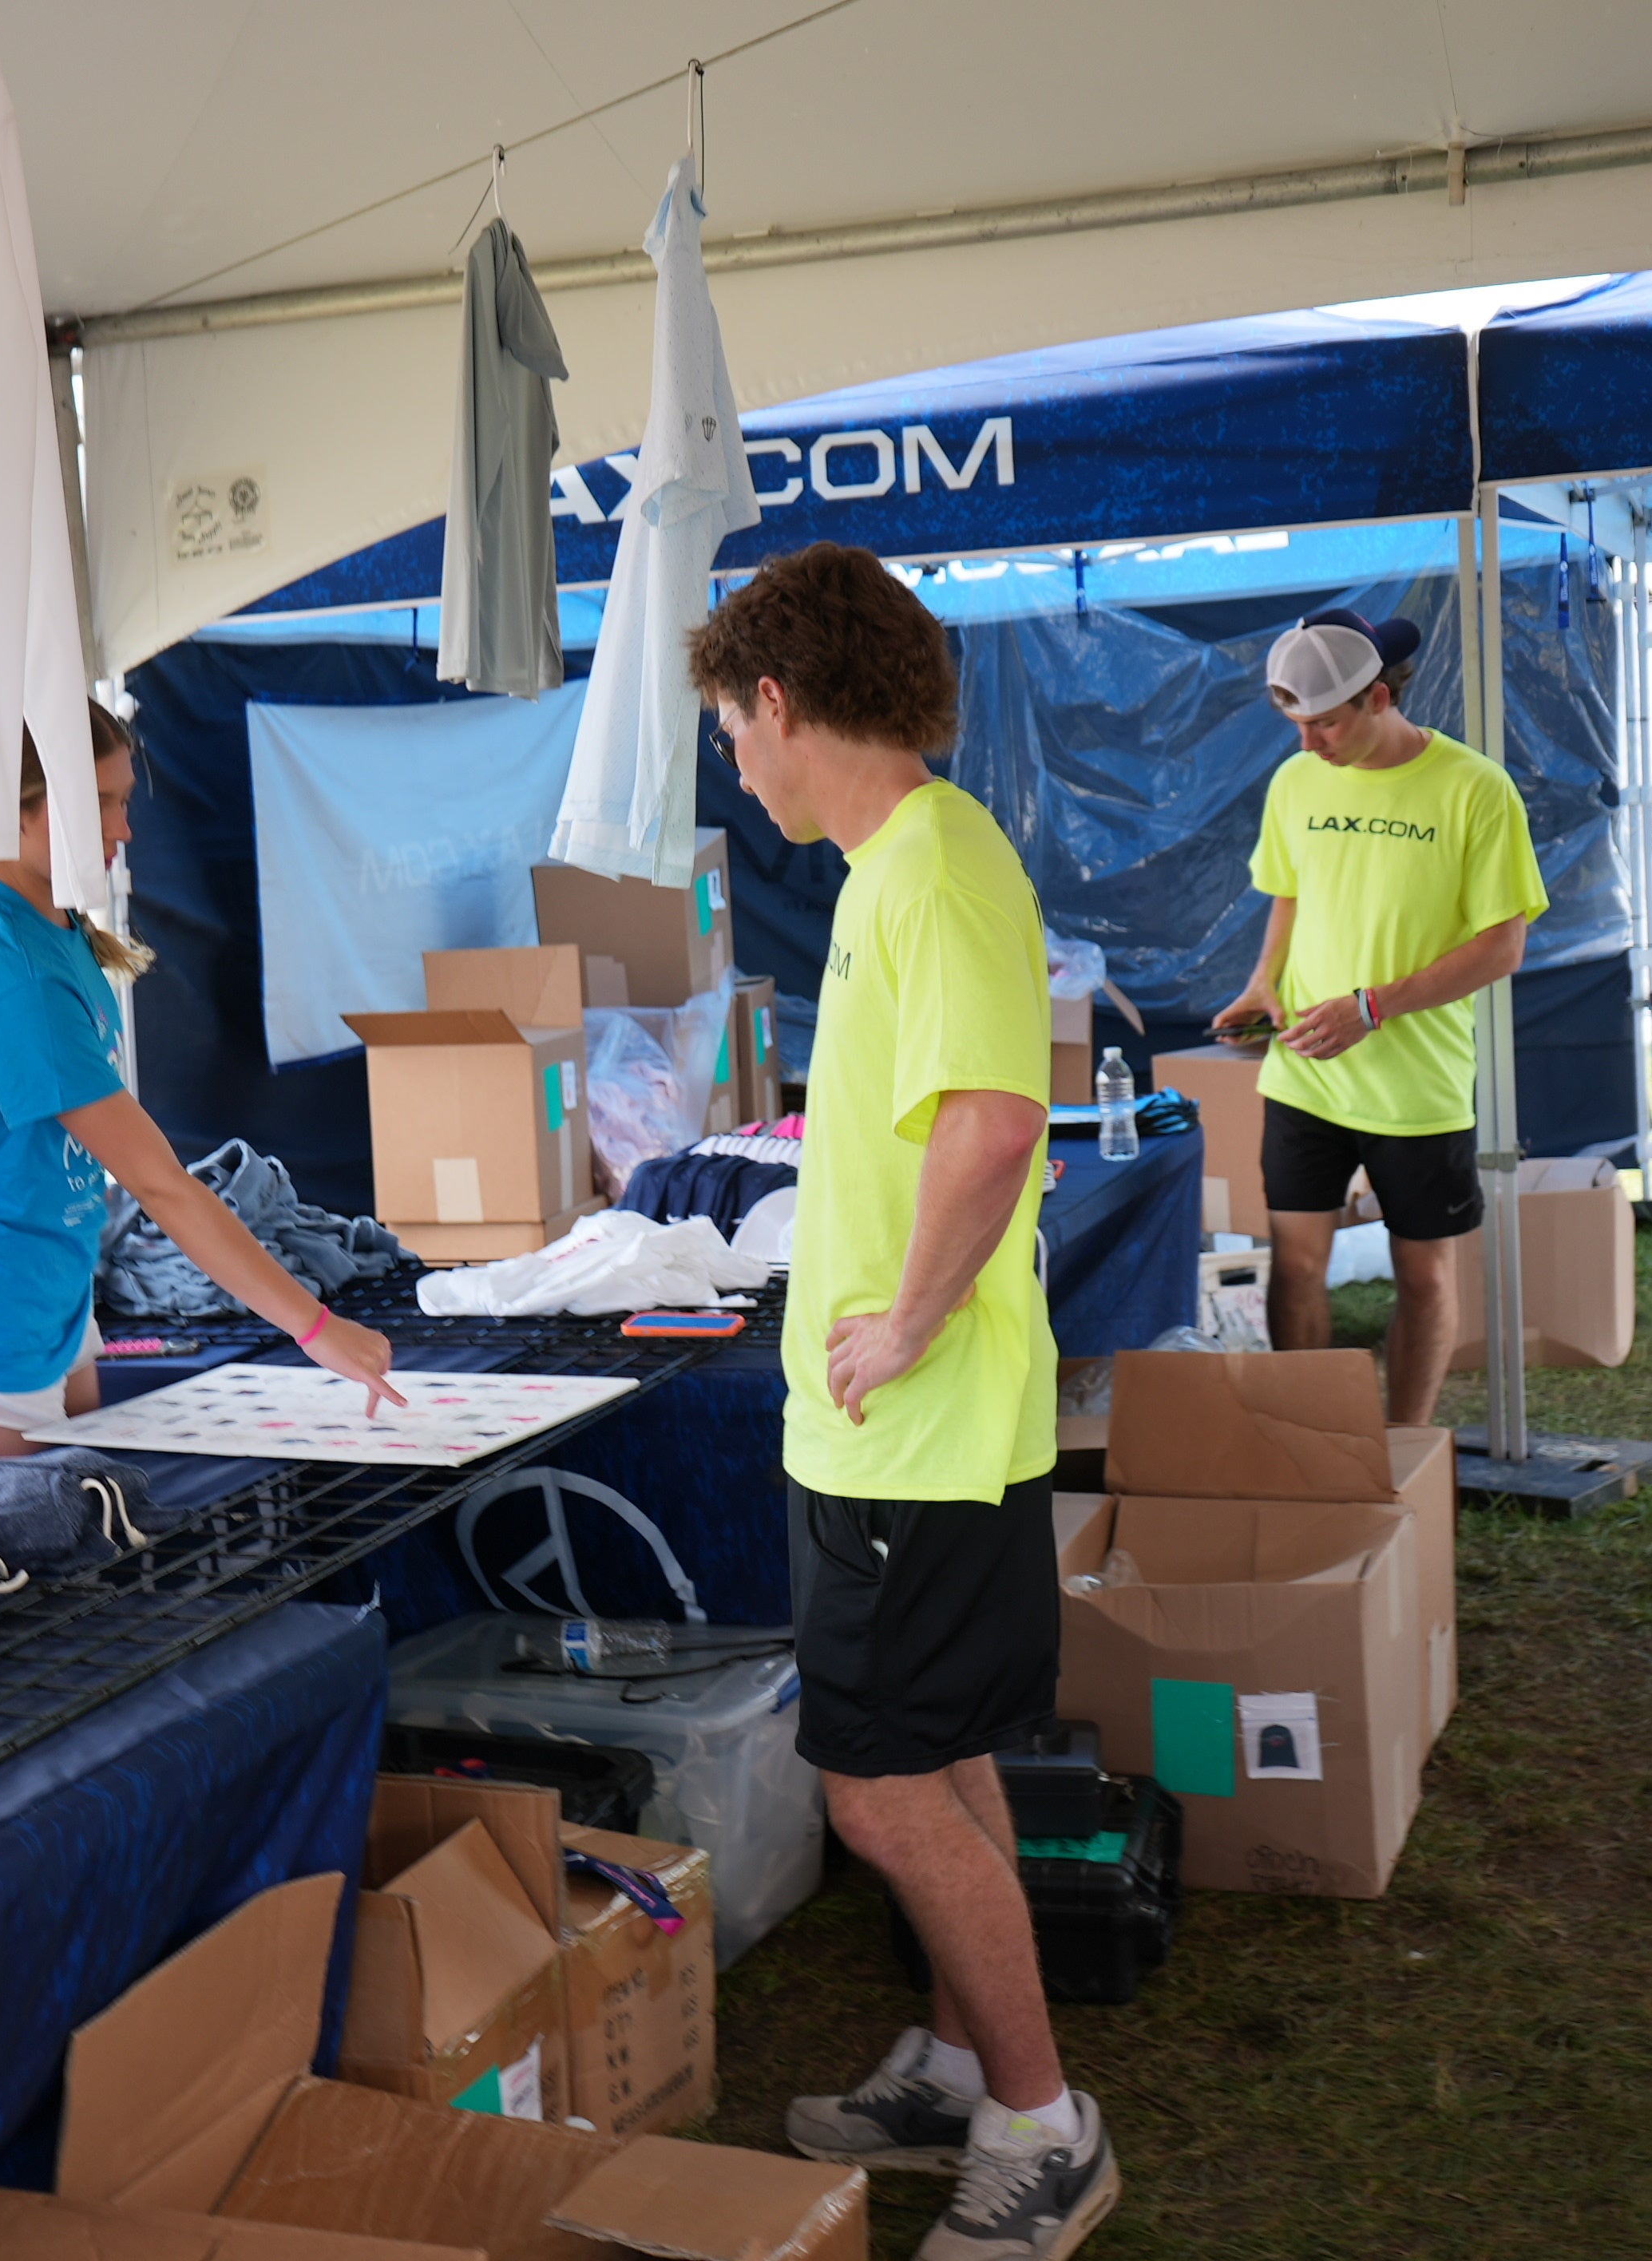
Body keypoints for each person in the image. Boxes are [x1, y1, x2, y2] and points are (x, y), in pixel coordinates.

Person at [692, 544, 1118, 2261]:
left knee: (873, 1791)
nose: (735, 764)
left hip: (917, 1432)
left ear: (779, 700)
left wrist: (906, 1322)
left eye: (732, 729)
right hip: (911, 1429)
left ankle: (1041, 2125)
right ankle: (960, 2063)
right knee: (938, 1754)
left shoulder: (930, 867)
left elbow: (997, 1124)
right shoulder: (903, 862)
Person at [0, 700, 405, 1458]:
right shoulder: (15, 974)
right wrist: (315, 1328)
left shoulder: (42, 920)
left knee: (94, 1524)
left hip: (51, 1302)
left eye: (123, 801)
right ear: (14, 813)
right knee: (45, 1535)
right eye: (99, 805)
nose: (123, 829)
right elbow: (162, 1187)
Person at [1210, 609, 1550, 1426]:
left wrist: (1372, 1007)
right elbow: (1289, 892)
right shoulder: (1295, 783)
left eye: (1324, 723)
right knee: (1295, 1268)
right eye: (1295, 726)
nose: (1307, 745)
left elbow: (1502, 946)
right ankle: (1313, 1446)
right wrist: (1262, 983)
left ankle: (1403, 1452)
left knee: (1424, 1277)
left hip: (1417, 1086)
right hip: (1305, 1075)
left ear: (1377, 697)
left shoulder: (1475, 788)